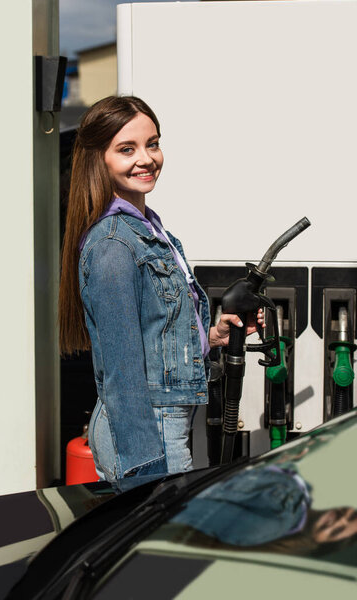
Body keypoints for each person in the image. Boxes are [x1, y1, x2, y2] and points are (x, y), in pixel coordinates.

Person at [59, 95, 263, 490]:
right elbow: (122, 371)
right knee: (160, 550)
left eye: (152, 143)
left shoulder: (151, 231)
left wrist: (211, 336)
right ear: (98, 158)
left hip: (160, 424)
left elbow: (157, 333)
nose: (146, 158)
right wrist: (145, 467)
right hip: (147, 433)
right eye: (126, 149)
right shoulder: (114, 245)